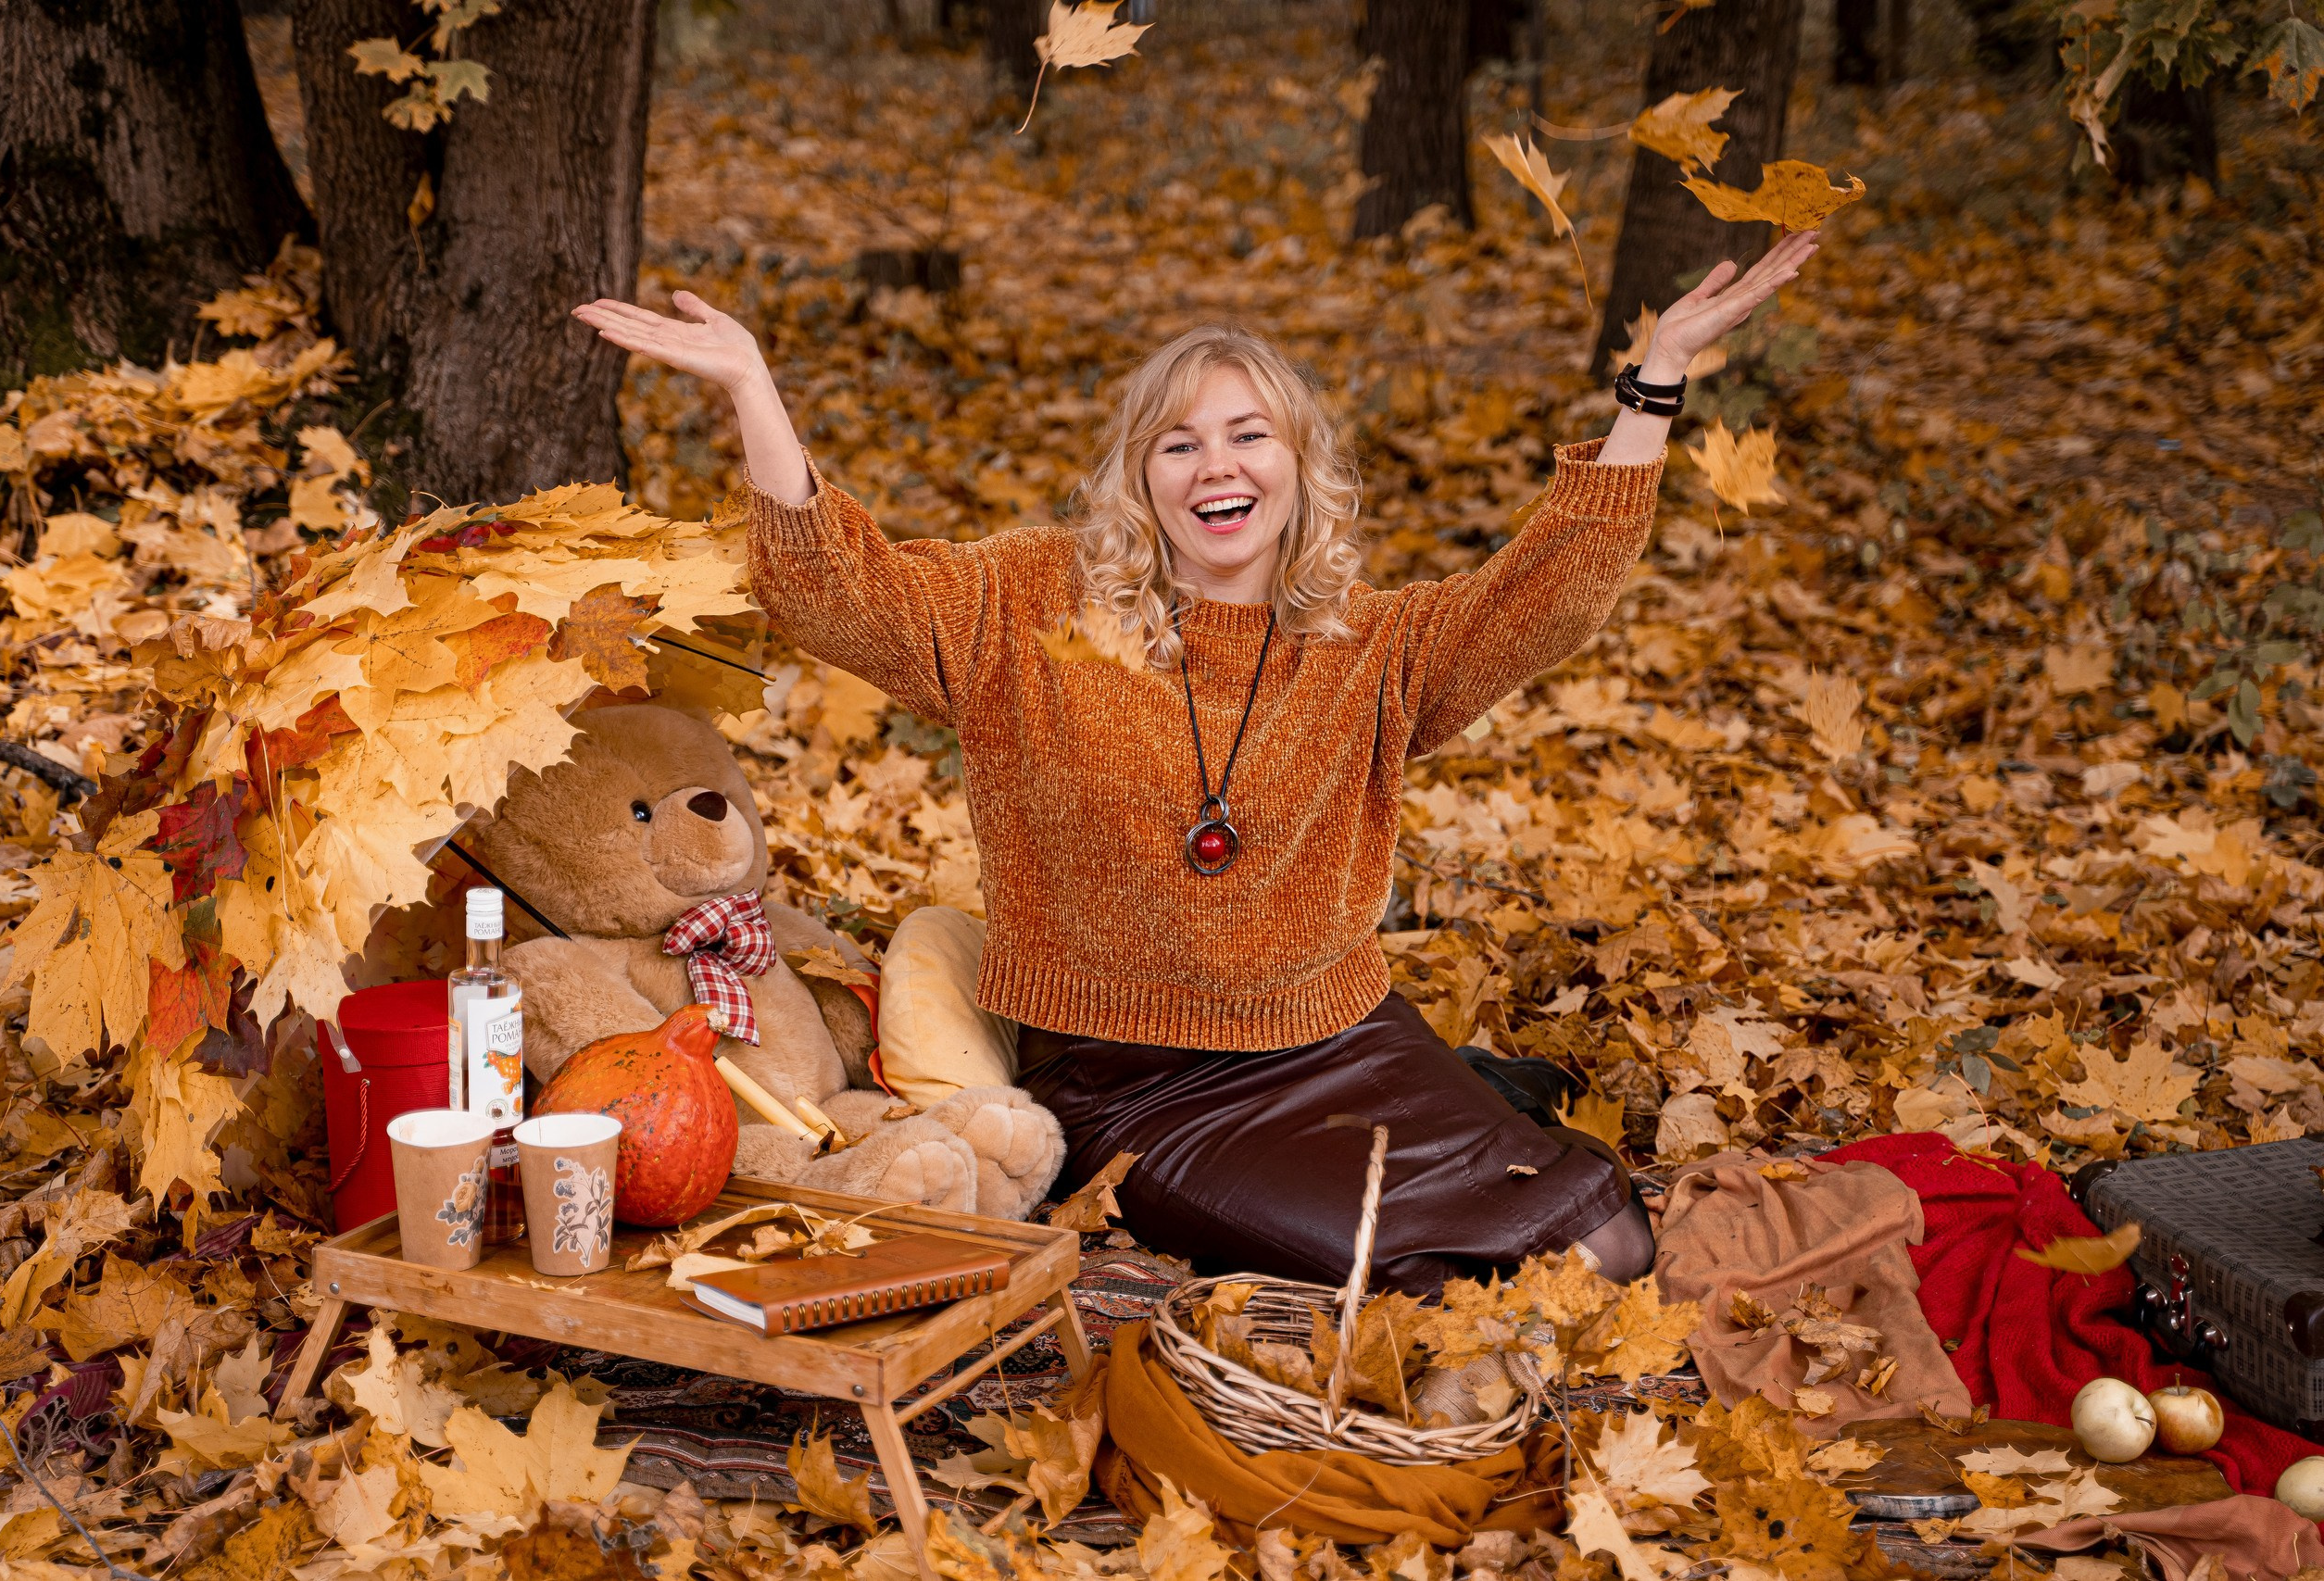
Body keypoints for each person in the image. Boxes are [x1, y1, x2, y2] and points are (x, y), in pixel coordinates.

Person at [574, 229, 1818, 1293]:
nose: (1217, 467)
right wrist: (752, 388)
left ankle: (1468, 1093)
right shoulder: (1029, 608)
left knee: (1609, 1243)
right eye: (1179, 445)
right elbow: (842, 597)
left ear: (1299, 469)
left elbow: (1550, 596)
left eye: (1248, 437)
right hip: (1133, 1085)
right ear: (1140, 481)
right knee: (1403, 1269)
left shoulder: (1372, 648)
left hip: (1337, 1036)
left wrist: (1655, 380)